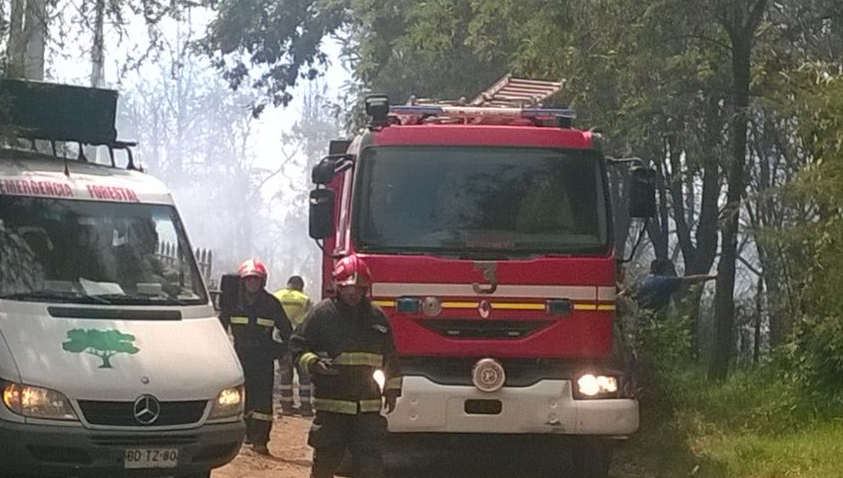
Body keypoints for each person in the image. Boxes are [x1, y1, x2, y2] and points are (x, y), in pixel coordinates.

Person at [290, 255, 402, 478]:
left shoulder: (377, 319)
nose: (352, 293)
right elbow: (297, 346)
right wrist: (313, 363)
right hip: (332, 406)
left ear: (365, 289)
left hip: (367, 407)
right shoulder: (321, 315)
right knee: (325, 464)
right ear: (337, 287)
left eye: (358, 288)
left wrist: (391, 390)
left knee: (370, 464)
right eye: (347, 288)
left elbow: (391, 357)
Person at [219, 259, 292, 455]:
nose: (252, 283)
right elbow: (220, 329)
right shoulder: (232, 303)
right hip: (239, 357)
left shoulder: (271, 304)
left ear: (263, 281)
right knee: (241, 399)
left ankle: (261, 440)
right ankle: (245, 435)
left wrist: (283, 351)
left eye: (256, 279)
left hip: (263, 358)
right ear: (242, 282)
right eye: (249, 279)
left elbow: (287, 330)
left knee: (262, 400)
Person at [273, 275, 314, 416]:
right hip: (300, 342)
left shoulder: (276, 296)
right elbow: (310, 322)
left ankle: (286, 407)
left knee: (285, 374)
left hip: (281, 341)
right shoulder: (305, 299)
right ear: (301, 286)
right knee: (304, 377)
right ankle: (306, 408)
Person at [636, 258, 716, 313]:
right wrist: (714, 277)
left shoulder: (641, 280)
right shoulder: (666, 281)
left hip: (639, 321)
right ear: (663, 269)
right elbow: (692, 279)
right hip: (657, 322)